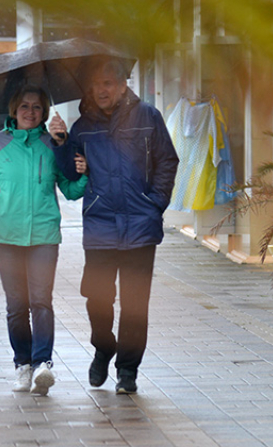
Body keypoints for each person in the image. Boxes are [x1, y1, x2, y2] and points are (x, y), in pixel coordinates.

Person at [50, 57, 179, 396]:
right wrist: (62, 143)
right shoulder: (82, 126)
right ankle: (103, 346)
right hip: (100, 225)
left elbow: (168, 159)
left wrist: (156, 203)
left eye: (109, 82)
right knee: (97, 298)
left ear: (123, 85)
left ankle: (127, 371)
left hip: (140, 226)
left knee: (135, 304)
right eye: (96, 83)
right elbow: (72, 175)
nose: (102, 89)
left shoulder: (148, 116)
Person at [0, 85, 88, 396]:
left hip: (44, 237)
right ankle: (22, 365)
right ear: (14, 110)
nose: (30, 112)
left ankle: (43, 365)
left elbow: (72, 190)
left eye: (37, 107)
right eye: (24, 106)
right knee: (17, 305)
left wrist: (84, 172)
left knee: (41, 302)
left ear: (45, 112)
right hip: (5, 237)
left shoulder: (53, 144)